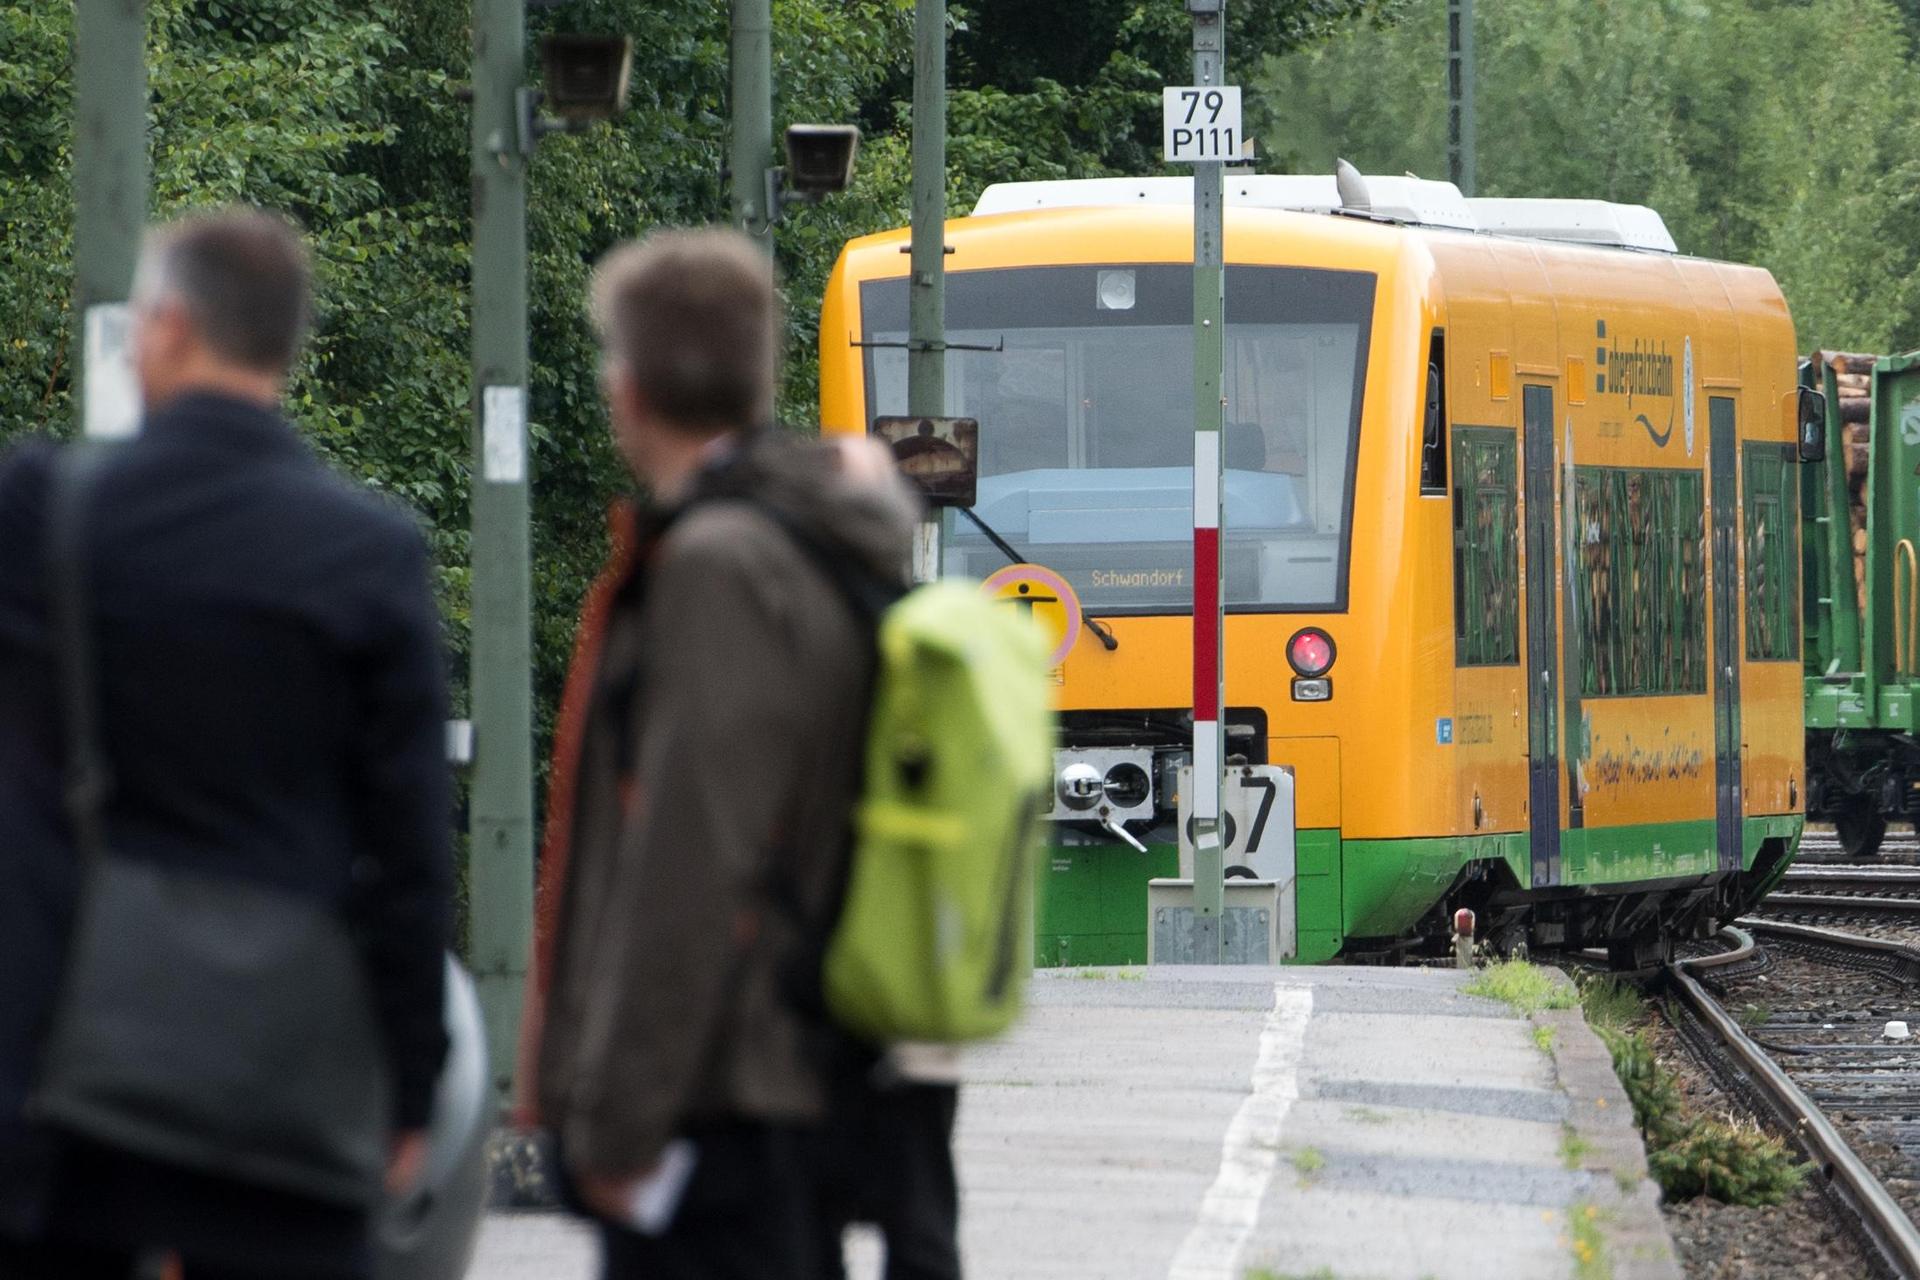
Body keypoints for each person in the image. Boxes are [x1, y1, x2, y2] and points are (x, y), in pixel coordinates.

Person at [0, 208, 452, 1280]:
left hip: (71, 1062)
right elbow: (410, 851)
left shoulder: (46, 515)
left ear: (164, 328)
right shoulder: (371, 552)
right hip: (279, 1080)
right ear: (284, 352)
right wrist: (410, 1079)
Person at [524, 227, 919, 1280]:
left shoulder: (720, 563)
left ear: (629, 388)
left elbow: (696, 856)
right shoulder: (807, 542)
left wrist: (617, 1120)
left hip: (720, 1096)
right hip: (782, 1074)